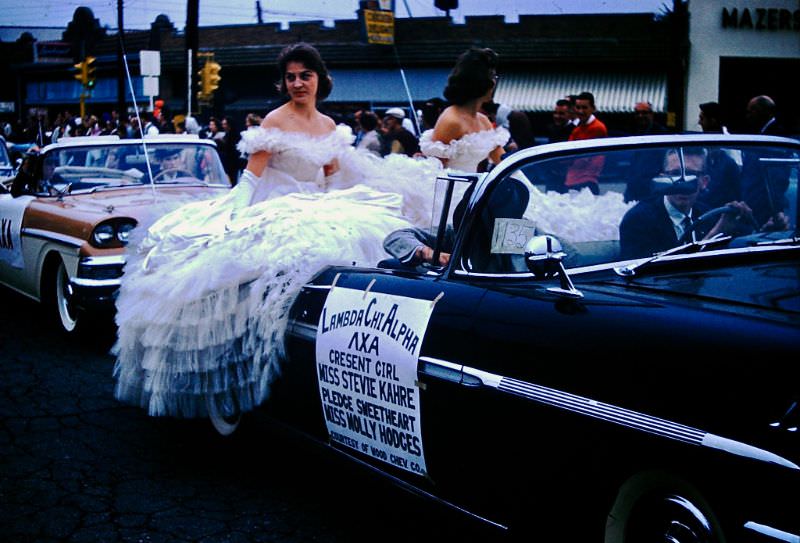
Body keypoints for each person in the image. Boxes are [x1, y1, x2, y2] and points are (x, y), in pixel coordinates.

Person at [112, 42, 425, 424]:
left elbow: (331, 183)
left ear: (319, 80)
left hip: (318, 206)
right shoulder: (275, 121)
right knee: (250, 266)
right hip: (275, 202)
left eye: (305, 76)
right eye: (291, 77)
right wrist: (233, 215)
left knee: (362, 239)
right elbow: (250, 179)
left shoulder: (329, 127)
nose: (297, 83)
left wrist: (342, 208)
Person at [619, 147, 752, 260]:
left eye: (691, 175)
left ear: (704, 182)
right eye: (675, 174)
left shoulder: (710, 216)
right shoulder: (638, 220)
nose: (682, 183)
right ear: (663, 179)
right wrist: (714, 234)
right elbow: (649, 275)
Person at [563, 91, 608, 194]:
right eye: (578, 107)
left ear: (593, 108)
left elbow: (581, 158)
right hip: (574, 181)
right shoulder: (578, 129)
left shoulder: (597, 128)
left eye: (584, 107)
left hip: (586, 182)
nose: (580, 111)